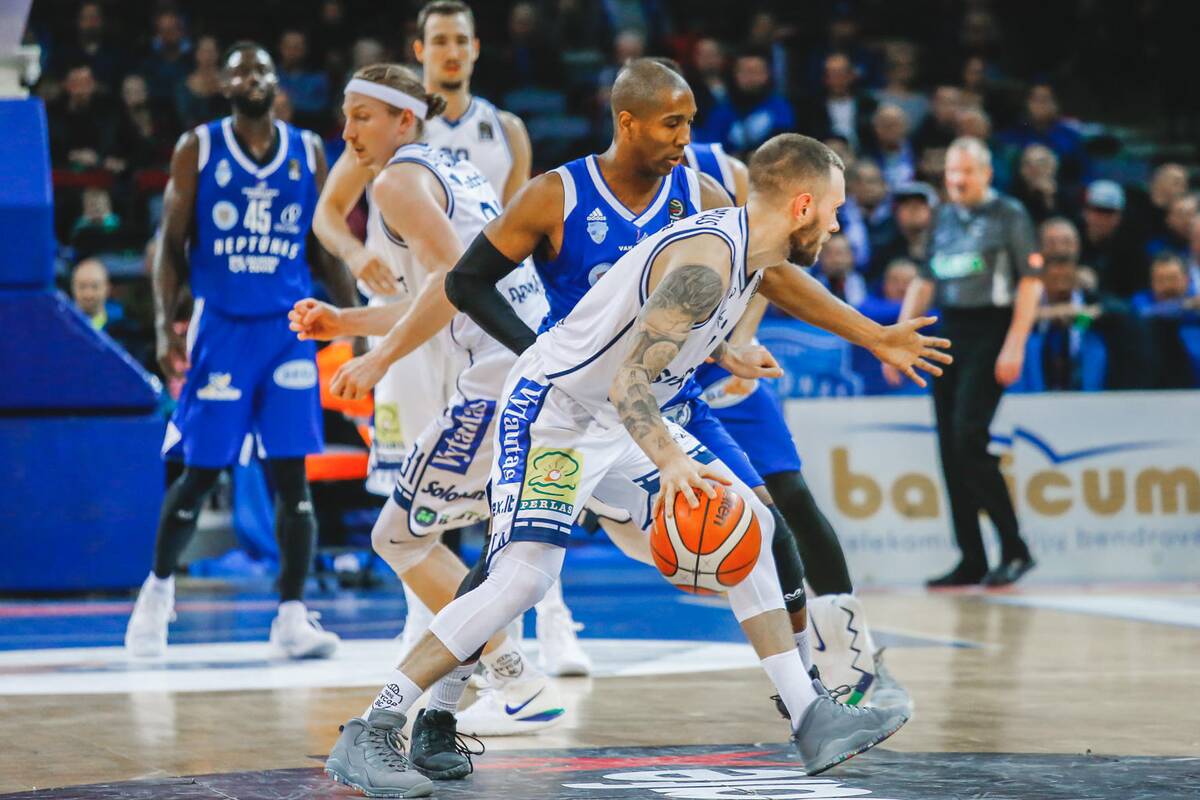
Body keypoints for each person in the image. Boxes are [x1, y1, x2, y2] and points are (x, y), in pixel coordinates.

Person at [323, 133, 947, 795]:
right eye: (835, 209)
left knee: (754, 525)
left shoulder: (749, 248)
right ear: (802, 206)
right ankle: (372, 729)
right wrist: (671, 460)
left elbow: (781, 285)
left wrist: (875, 335)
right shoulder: (707, 265)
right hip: (556, 414)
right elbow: (629, 382)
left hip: (614, 415)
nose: (839, 224)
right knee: (522, 579)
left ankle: (810, 715)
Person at [305, 61, 570, 752]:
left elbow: (455, 284)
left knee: (398, 538)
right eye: (345, 115)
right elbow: (445, 289)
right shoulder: (453, 169)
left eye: (362, 116)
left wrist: (379, 358)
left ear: (403, 120)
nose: (348, 131)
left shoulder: (396, 182)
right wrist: (346, 321)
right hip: (536, 363)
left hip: (500, 374)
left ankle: (518, 681)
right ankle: (512, 676)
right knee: (483, 541)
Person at [123, 42, 358, 660]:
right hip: (222, 328)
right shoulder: (198, 147)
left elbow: (327, 245)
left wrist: (355, 323)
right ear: (223, 86)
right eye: (241, 71)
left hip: (287, 331)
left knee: (292, 475)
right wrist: (163, 327)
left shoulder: (308, 150)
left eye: (262, 70)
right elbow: (170, 244)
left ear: (277, 84)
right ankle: (157, 593)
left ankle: (291, 616)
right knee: (201, 471)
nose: (253, 78)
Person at [888, 137, 1041, 588]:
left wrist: (1015, 344)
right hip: (948, 328)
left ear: (986, 174)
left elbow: (1031, 283)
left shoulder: (1009, 214)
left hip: (992, 328)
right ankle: (971, 556)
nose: (957, 180)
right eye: (952, 172)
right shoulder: (942, 217)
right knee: (949, 448)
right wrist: (894, 337)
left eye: (967, 172)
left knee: (968, 438)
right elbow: (924, 280)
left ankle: (1015, 548)